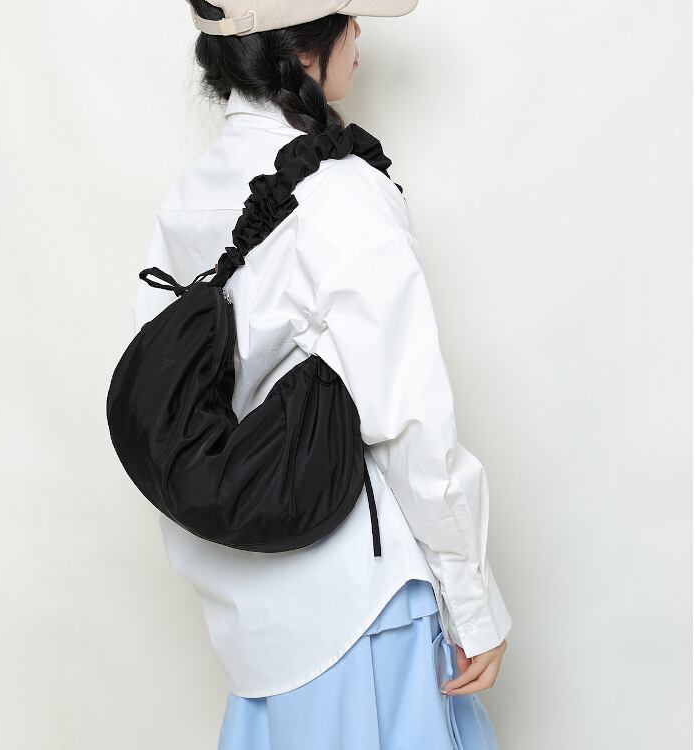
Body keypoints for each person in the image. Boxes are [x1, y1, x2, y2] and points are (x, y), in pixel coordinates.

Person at [132, 2, 513, 747]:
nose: (359, 32)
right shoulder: (340, 191)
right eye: (346, 15)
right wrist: (472, 604)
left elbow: (177, 407)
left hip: (254, 628)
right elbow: (408, 417)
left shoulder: (187, 196)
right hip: (361, 609)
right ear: (302, 44)